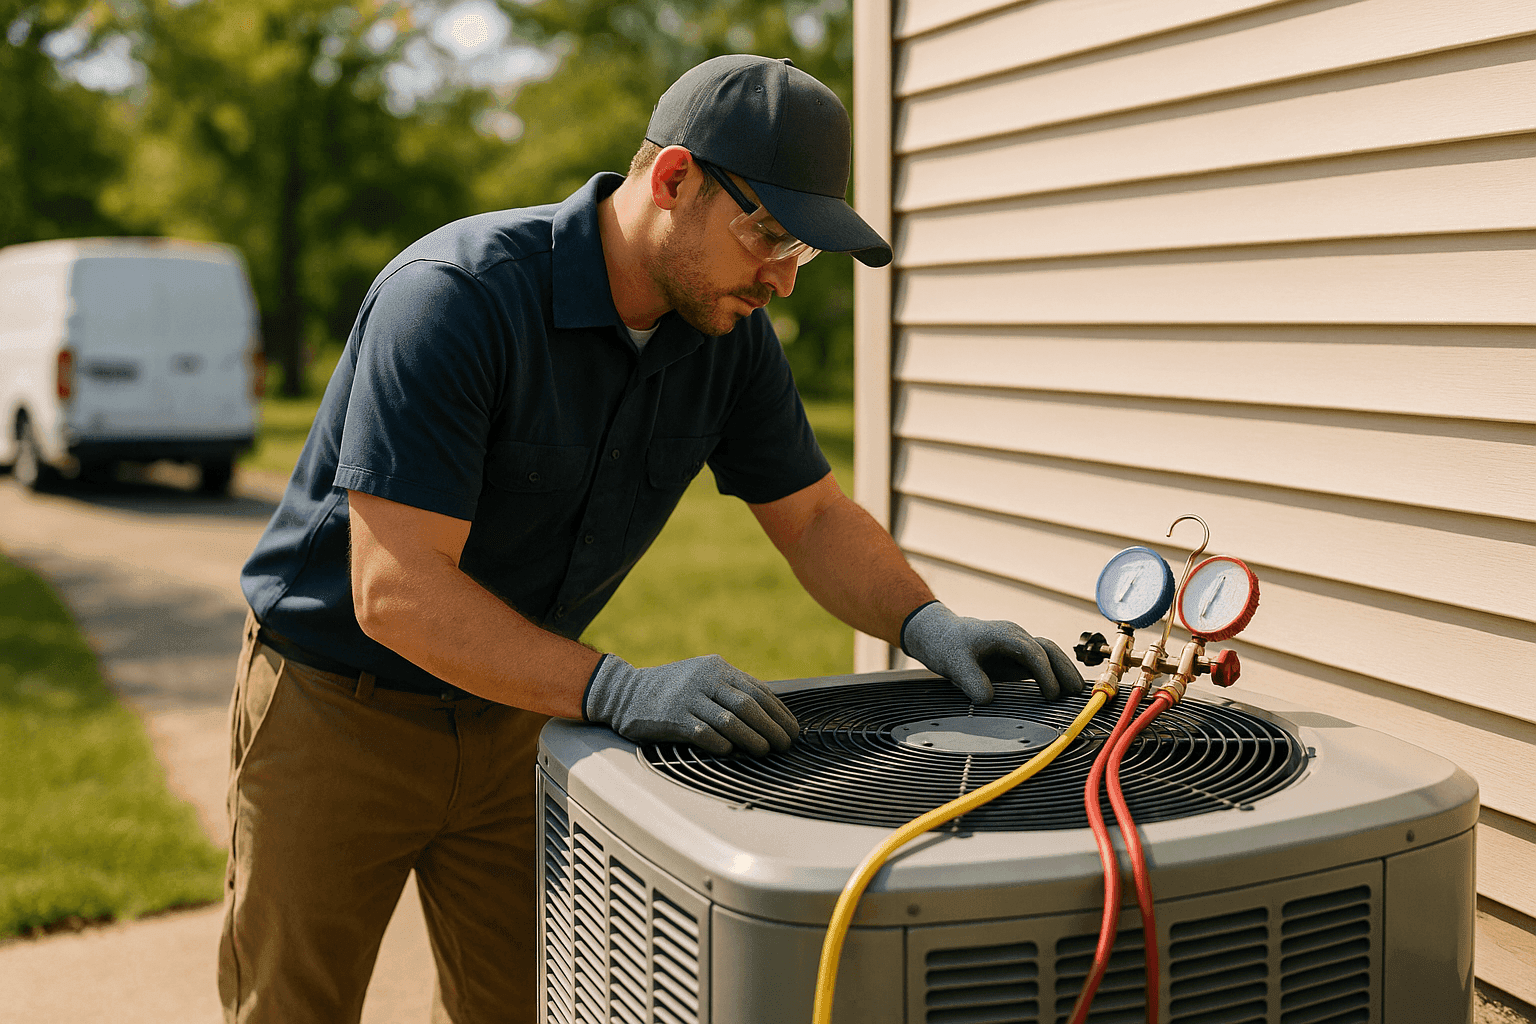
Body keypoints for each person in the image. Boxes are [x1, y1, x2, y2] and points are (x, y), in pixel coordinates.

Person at [225, 53, 1084, 1023]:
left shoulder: (729, 338)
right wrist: (616, 689)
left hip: (520, 711)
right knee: (290, 1006)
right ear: (672, 179)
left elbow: (812, 518)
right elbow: (397, 590)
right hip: (340, 709)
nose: (782, 282)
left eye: (801, 255)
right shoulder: (456, 300)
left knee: (523, 1005)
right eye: (769, 236)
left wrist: (927, 623)